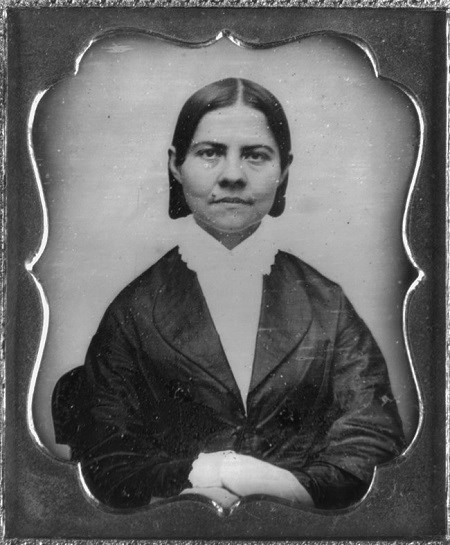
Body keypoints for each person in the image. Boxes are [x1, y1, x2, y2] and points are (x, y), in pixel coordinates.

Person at [52, 77, 405, 511]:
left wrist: (278, 485)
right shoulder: (134, 312)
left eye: (256, 156)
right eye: (210, 153)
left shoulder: (326, 304)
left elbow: (374, 436)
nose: (233, 175)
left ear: (284, 170)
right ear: (175, 165)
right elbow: (107, 459)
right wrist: (205, 471)